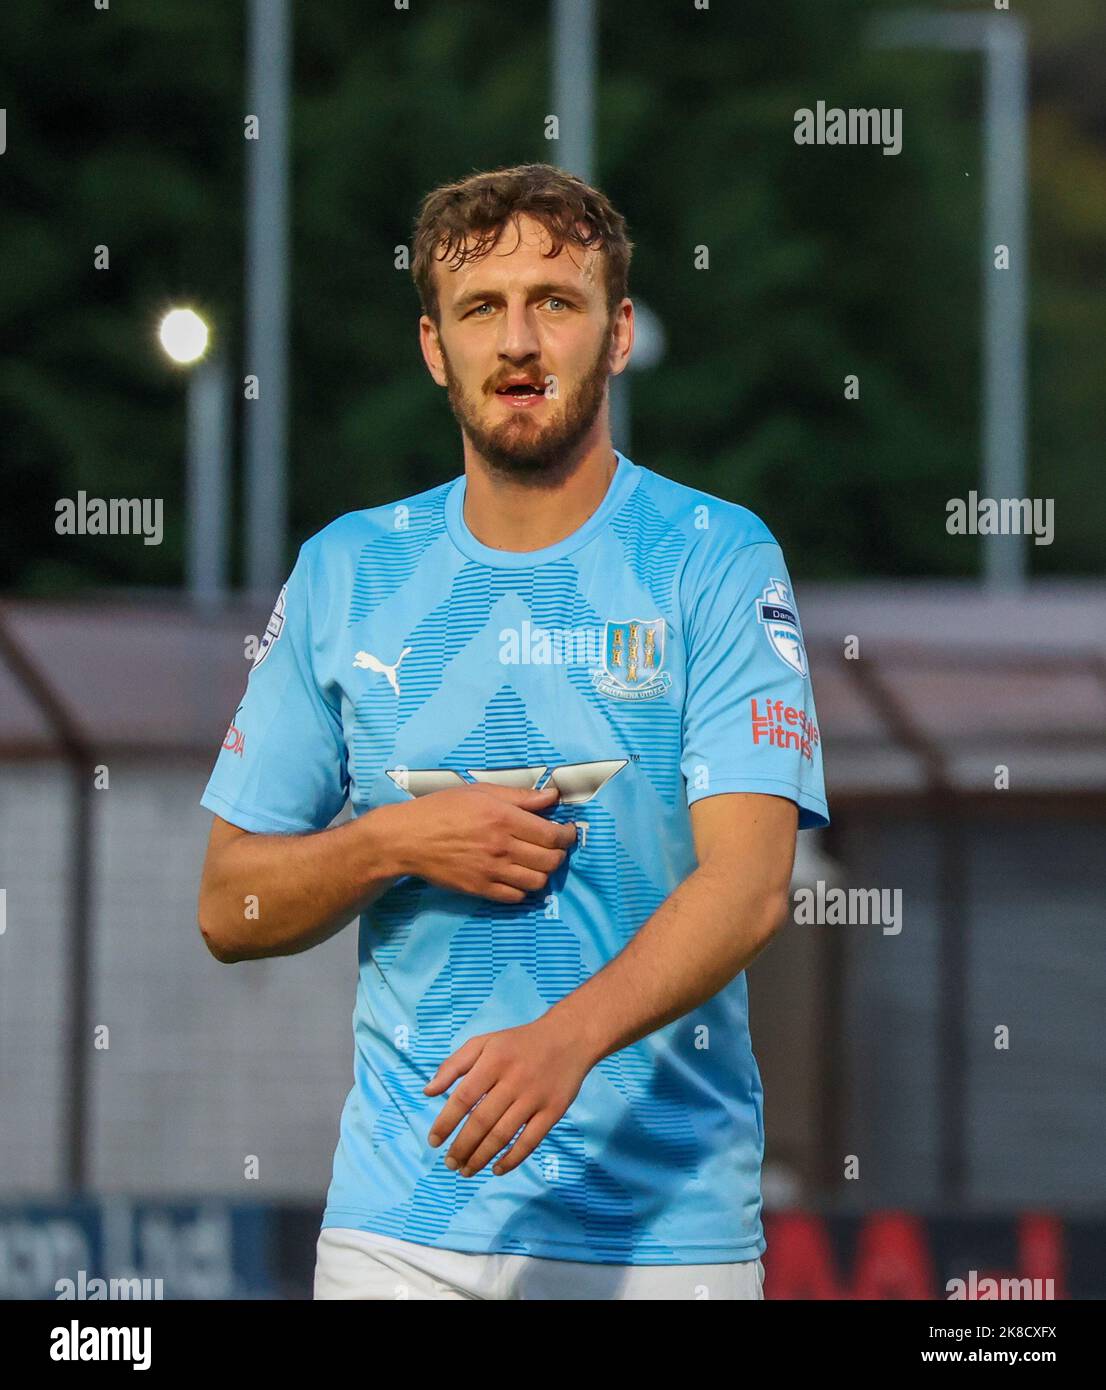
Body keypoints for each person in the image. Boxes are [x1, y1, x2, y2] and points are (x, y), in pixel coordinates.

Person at [197, 163, 829, 1300]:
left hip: (662, 1233)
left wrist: (561, 1041)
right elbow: (227, 907)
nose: (520, 340)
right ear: (435, 348)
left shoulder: (714, 557)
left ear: (618, 333)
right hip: (399, 1228)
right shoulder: (345, 569)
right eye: (481, 308)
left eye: (556, 301)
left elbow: (748, 887)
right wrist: (392, 841)